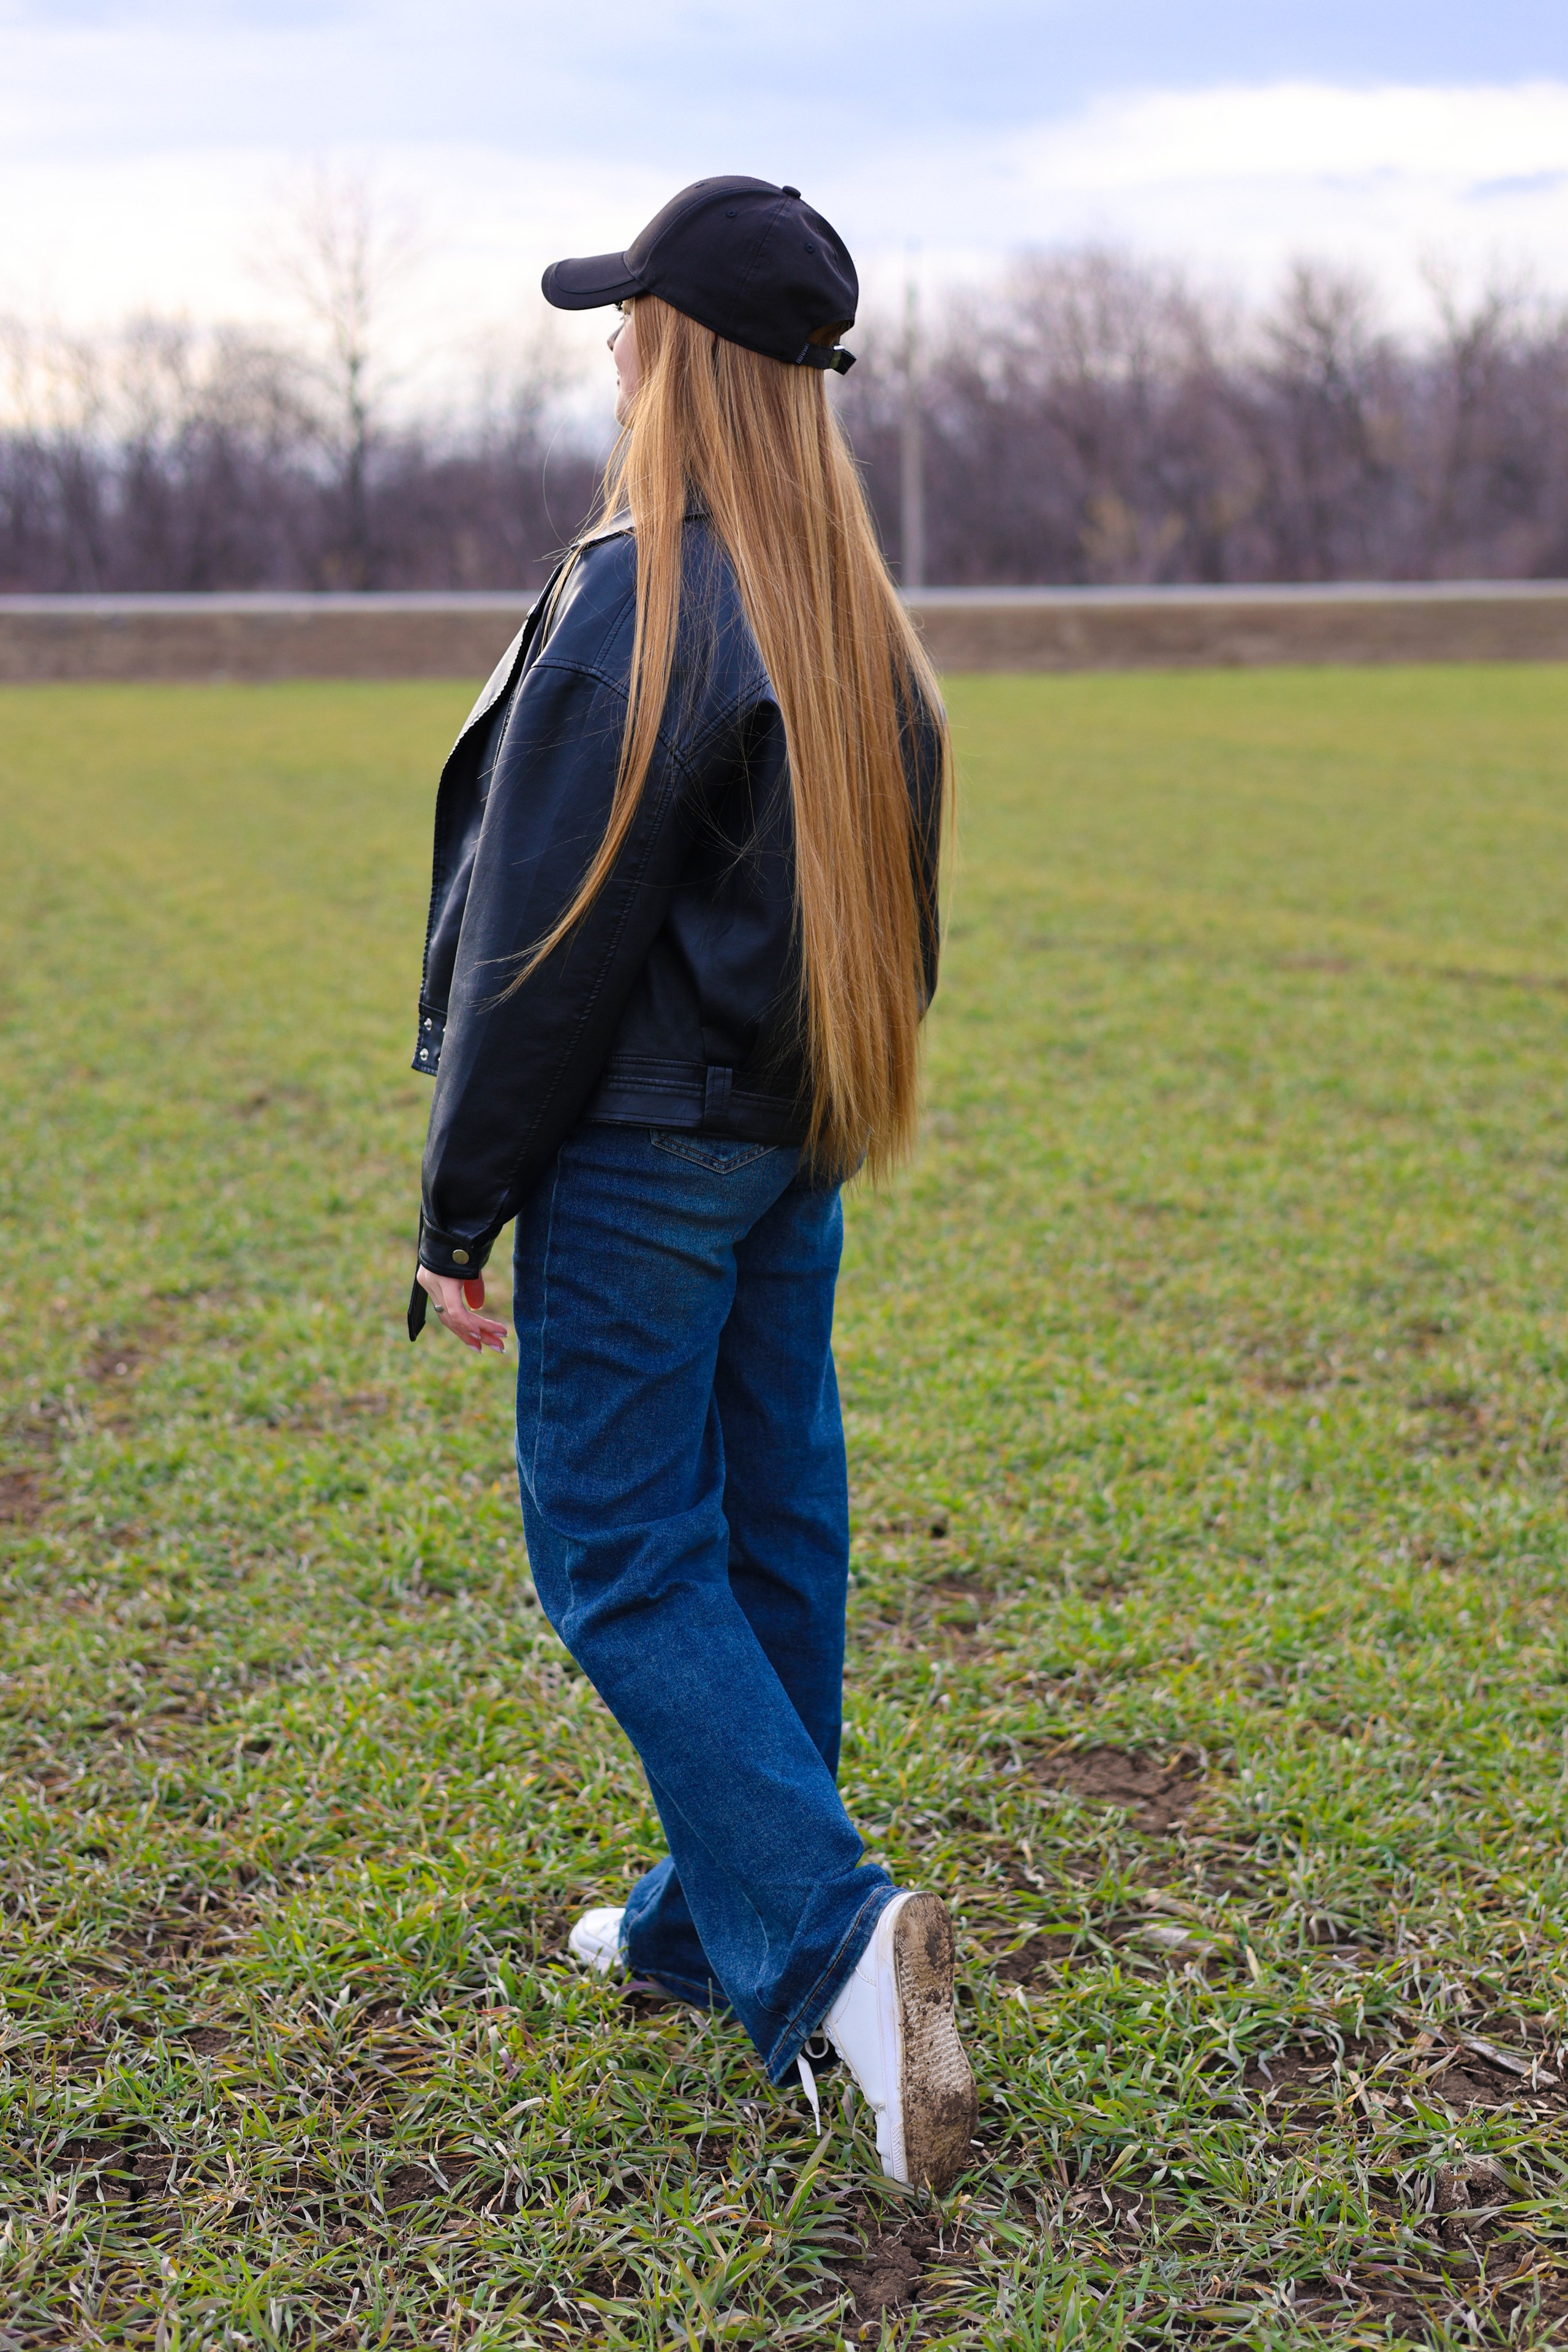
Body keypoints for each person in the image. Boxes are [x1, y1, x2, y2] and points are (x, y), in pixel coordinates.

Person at [406, 176, 976, 2193]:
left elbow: (542, 941)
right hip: (785, 1144)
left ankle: (831, 1935)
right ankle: (691, 1921)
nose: (615, 348)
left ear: (681, 357)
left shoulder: (639, 592)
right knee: (768, 1523)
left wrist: (456, 1205)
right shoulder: (853, 615)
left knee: (625, 1551)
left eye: (631, 320)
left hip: (642, 1156)